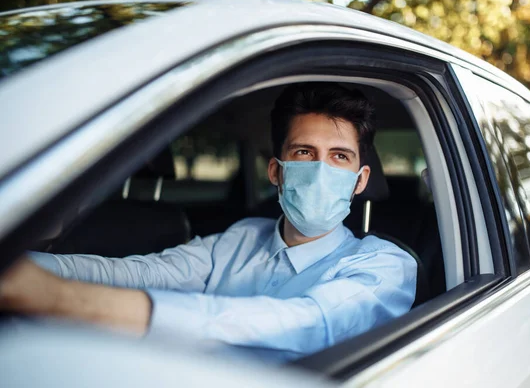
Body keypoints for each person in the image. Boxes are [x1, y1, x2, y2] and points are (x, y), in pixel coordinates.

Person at [0, 83, 417, 361]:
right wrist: (21, 266)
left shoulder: (385, 266)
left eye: (339, 156)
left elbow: (309, 321)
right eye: (304, 153)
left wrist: (63, 299)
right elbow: (136, 272)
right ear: (276, 171)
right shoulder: (239, 240)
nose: (321, 169)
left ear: (360, 179)